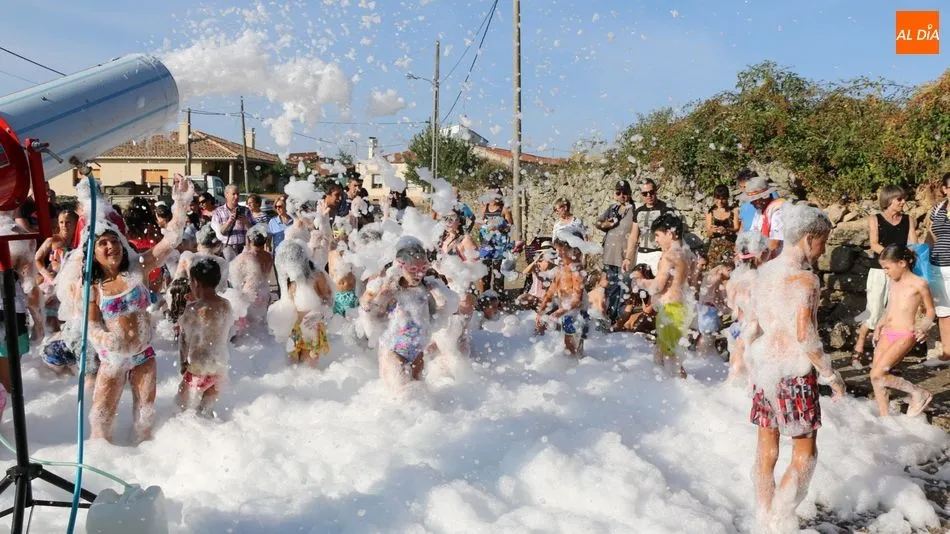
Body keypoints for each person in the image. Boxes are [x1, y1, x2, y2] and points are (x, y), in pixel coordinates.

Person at [744, 203, 845, 533]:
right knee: (805, 452)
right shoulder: (805, 280)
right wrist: (831, 375)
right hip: (794, 374)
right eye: (824, 241)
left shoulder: (763, 275)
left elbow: (751, 329)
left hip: (764, 371)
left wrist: (749, 370)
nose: (824, 248)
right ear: (809, 238)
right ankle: (779, 522)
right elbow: (805, 333)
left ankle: (763, 517)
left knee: (766, 449)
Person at [81, 176, 192, 443]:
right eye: (103, 244)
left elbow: (171, 240)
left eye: (114, 241)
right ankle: (103, 466)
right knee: (102, 417)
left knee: (145, 416)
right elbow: (91, 325)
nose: (111, 247)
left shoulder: (138, 268)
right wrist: (102, 338)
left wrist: (181, 203)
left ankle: (141, 464)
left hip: (143, 355)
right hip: (113, 358)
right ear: (93, 252)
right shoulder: (94, 286)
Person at [360, 237, 457, 390]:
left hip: (417, 352)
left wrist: (440, 297)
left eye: (423, 268)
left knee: (418, 396)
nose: (419, 274)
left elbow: (442, 314)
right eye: (413, 269)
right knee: (401, 395)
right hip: (393, 350)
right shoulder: (390, 289)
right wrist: (377, 301)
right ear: (400, 266)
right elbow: (368, 308)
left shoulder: (426, 288)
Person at [852, 185, 916, 369]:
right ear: (889, 200)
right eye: (900, 199)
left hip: (901, 272)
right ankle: (859, 346)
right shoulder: (875, 219)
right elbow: (874, 244)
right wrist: (893, 257)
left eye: (904, 199)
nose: (903, 202)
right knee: (873, 311)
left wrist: (908, 259)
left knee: (894, 314)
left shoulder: (907, 220)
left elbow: (913, 243)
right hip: (880, 271)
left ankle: (887, 356)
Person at [869, 245, 935, 417]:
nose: (885, 272)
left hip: (906, 334)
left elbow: (930, 311)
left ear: (902, 263)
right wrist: (880, 324)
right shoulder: (892, 282)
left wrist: (923, 327)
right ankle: (885, 418)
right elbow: (890, 307)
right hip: (888, 333)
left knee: (879, 373)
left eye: (887, 267)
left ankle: (918, 393)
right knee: (874, 376)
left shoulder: (919, 283)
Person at [634, 213, 695, 378]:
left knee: (671, 358)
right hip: (681, 309)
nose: (656, 240)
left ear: (670, 233)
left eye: (658, 235)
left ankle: (683, 393)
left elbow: (656, 287)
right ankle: (663, 389)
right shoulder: (688, 253)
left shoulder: (669, 255)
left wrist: (639, 280)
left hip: (670, 311)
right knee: (661, 353)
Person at [176, 258, 233, 415]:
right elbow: (228, 332)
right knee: (207, 411)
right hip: (219, 366)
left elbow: (184, 340)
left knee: (183, 410)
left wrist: (182, 364)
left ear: (195, 283)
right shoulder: (226, 305)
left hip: (197, 368)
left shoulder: (194, 309)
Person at [270, 239, 333, 366]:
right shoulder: (289, 278)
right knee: (291, 366)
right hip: (294, 327)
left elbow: (329, 300)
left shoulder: (317, 275)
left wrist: (321, 314)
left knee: (308, 368)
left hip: (312, 326)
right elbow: (287, 302)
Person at [535, 228, 588, 357]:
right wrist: (541, 311)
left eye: (561, 249)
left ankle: (578, 369)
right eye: (557, 249)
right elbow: (550, 291)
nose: (558, 253)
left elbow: (577, 300)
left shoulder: (577, 271)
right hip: (567, 310)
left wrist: (556, 314)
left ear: (574, 250)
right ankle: (575, 367)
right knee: (569, 345)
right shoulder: (561, 269)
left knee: (572, 345)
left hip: (577, 311)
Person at [725, 232, 770, 382]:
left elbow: (731, 305)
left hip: (737, 327)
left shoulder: (734, 279)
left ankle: (727, 398)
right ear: (760, 254)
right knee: (753, 373)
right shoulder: (759, 279)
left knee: (736, 367)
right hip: (754, 329)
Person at [594, 180, 635, 323]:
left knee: (624, 289)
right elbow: (597, 223)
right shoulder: (612, 208)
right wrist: (608, 224)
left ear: (629, 193)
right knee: (612, 288)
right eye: (618, 193)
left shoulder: (634, 210)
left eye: (624, 192)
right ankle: (611, 319)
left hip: (625, 257)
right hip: (609, 255)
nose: (622, 195)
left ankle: (620, 321)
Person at [34, 210, 78, 333]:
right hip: (53, 282)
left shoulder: (81, 241)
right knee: (50, 319)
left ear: (76, 223)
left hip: (71, 283)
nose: (64, 225)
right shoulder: (53, 239)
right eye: (61, 222)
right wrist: (45, 274)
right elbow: (37, 258)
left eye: (68, 222)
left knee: (68, 319)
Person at [923, 172, 950, 366]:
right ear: (944, 189)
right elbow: (931, 232)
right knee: (943, 311)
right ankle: (947, 354)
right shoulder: (938, 208)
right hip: (937, 265)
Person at [624, 179, 673, 274]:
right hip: (642, 254)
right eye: (645, 193)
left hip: (658, 253)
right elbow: (633, 236)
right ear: (641, 194)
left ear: (655, 191)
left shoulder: (665, 210)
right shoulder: (638, 211)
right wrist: (628, 258)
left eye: (651, 192)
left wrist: (664, 256)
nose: (649, 196)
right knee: (639, 285)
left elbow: (670, 236)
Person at [230, 224, 273, 332]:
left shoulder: (244, 257)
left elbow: (234, 279)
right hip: (265, 292)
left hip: (250, 294)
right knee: (261, 324)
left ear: (249, 241)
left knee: (249, 328)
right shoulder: (269, 256)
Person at [477, 187, 513, 295]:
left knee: (498, 272)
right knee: (484, 272)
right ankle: (485, 296)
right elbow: (478, 223)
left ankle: (498, 297)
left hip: (500, 245)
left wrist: (498, 227)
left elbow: (510, 226)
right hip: (486, 244)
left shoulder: (504, 209)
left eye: (498, 194)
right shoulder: (484, 208)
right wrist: (485, 226)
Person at [743, 176, 786, 259]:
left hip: (779, 258)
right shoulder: (759, 212)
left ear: (764, 197)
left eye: (754, 199)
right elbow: (752, 233)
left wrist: (759, 259)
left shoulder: (778, 211)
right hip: (764, 255)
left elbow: (775, 243)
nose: (752, 203)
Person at [211, 185, 252, 261]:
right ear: (226, 195)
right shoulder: (218, 212)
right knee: (229, 271)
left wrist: (246, 222)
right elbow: (220, 233)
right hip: (227, 248)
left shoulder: (246, 211)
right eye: (233, 194)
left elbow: (253, 231)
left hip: (244, 247)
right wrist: (229, 222)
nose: (236, 197)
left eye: (238, 194)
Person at [704, 184, 740, 268]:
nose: (720, 202)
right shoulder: (710, 213)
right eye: (717, 199)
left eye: (723, 199)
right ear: (714, 197)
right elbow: (708, 234)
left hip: (729, 247)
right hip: (714, 249)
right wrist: (712, 231)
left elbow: (736, 228)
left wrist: (727, 230)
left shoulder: (733, 211)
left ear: (727, 198)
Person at [515, 245, 556, 310]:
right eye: (545, 254)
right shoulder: (536, 266)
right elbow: (525, 272)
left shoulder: (553, 267)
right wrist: (535, 261)